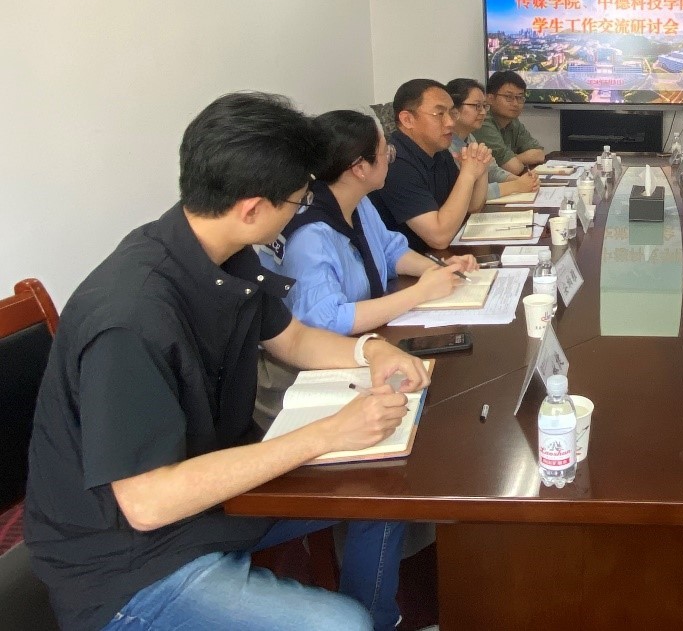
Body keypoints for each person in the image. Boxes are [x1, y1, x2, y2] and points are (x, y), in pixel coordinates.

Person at [24, 93, 433, 631]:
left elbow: (293, 340)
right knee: (338, 625)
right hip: (128, 565)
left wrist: (371, 350)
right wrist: (328, 434)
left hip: (214, 501)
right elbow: (146, 503)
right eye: (297, 201)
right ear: (253, 208)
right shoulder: (131, 317)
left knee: (387, 491)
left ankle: (381, 620)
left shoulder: (225, 254)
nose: (300, 213)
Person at [270, 110, 478, 334]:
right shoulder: (310, 236)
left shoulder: (358, 201)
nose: (390, 159)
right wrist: (421, 292)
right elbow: (327, 321)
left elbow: (389, 250)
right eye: (385, 153)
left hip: (371, 330)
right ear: (360, 168)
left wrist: (439, 270)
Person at [371, 78, 492, 251]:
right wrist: (468, 174)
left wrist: (481, 166)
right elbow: (439, 238)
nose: (451, 122)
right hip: (408, 262)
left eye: (452, 113)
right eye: (440, 114)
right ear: (407, 119)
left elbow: (471, 207)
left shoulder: (439, 152)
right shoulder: (395, 163)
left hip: (439, 256)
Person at [446, 78, 539, 201]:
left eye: (484, 106)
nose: (483, 112)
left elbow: (492, 171)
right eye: (477, 106)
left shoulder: (469, 138)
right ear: (454, 109)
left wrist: (522, 181)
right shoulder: (444, 145)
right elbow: (463, 194)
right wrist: (516, 186)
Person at [473, 71, 546, 174]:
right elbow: (513, 168)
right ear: (490, 98)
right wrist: (512, 161)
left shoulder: (513, 122)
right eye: (508, 97)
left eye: (519, 97)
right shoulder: (483, 123)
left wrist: (513, 159)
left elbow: (539, 154)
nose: (515, 103)